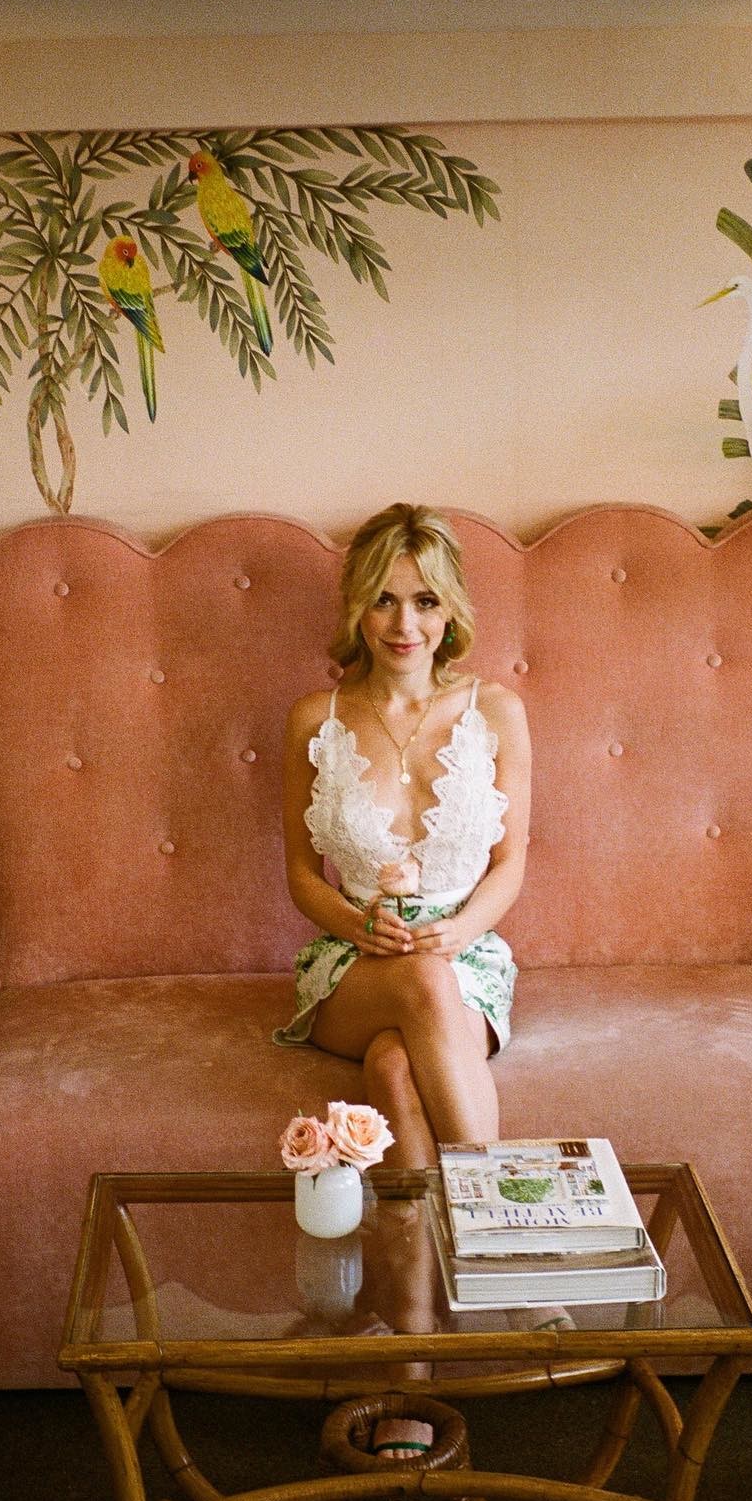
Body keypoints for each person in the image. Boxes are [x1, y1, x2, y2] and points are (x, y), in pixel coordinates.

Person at [276, 503, 531, 1175]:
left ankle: (415, 1240)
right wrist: (359, 925)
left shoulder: (497, 711)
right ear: (357, 606)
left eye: (425, 601)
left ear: (450, 609)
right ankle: (498, 1203)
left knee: (392, 1064)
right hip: (352, 965)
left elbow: (510, 864)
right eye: (383, 600)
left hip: (467, 960)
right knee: (420, 979)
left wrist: (460, 931)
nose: (404, 625)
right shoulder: (314, 719)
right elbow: (302, 876)